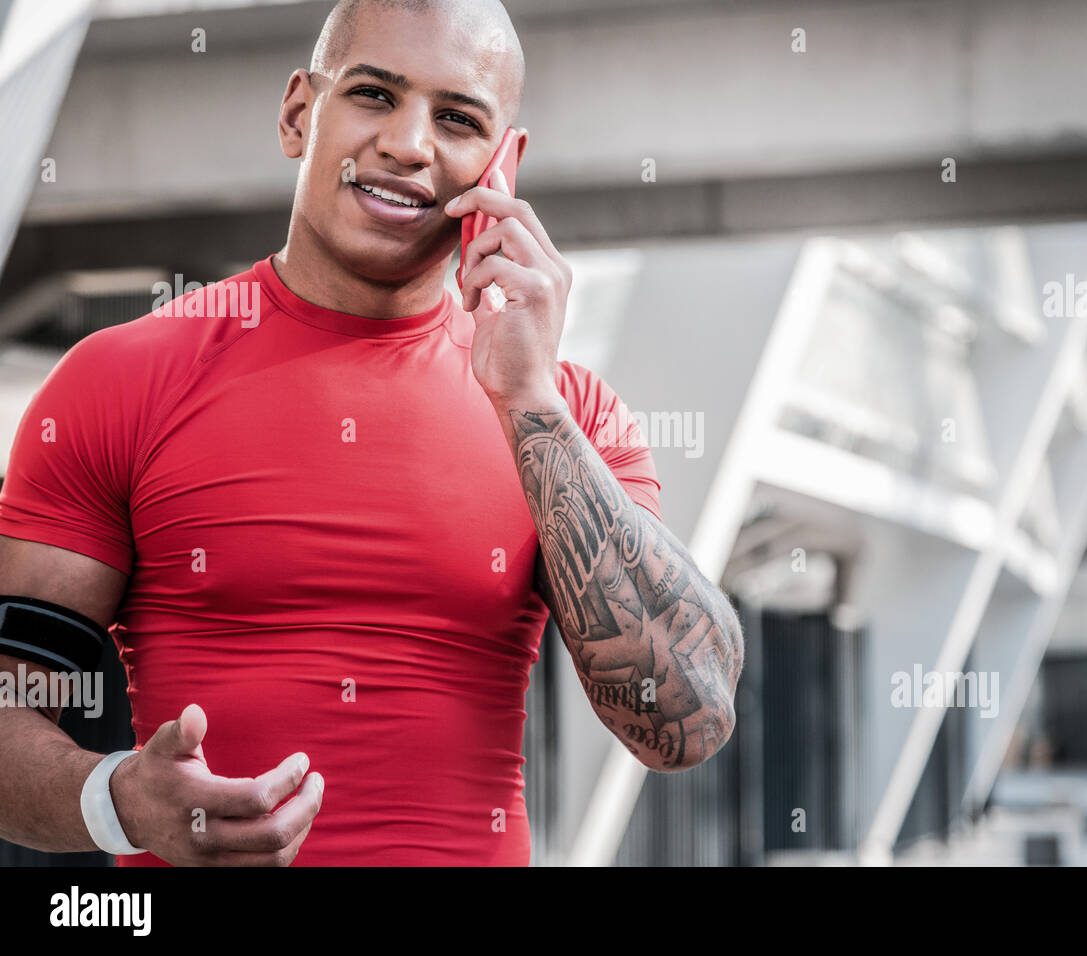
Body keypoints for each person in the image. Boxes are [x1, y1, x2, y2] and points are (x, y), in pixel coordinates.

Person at [0, 0, 743, 866]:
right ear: (298, 114)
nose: (409, 144)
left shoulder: (568, 416)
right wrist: (118, 799)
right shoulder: (117, 380)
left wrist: (529, 401)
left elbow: (685, 722)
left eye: (458, 118)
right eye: (374, 95)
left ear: (505, 163)